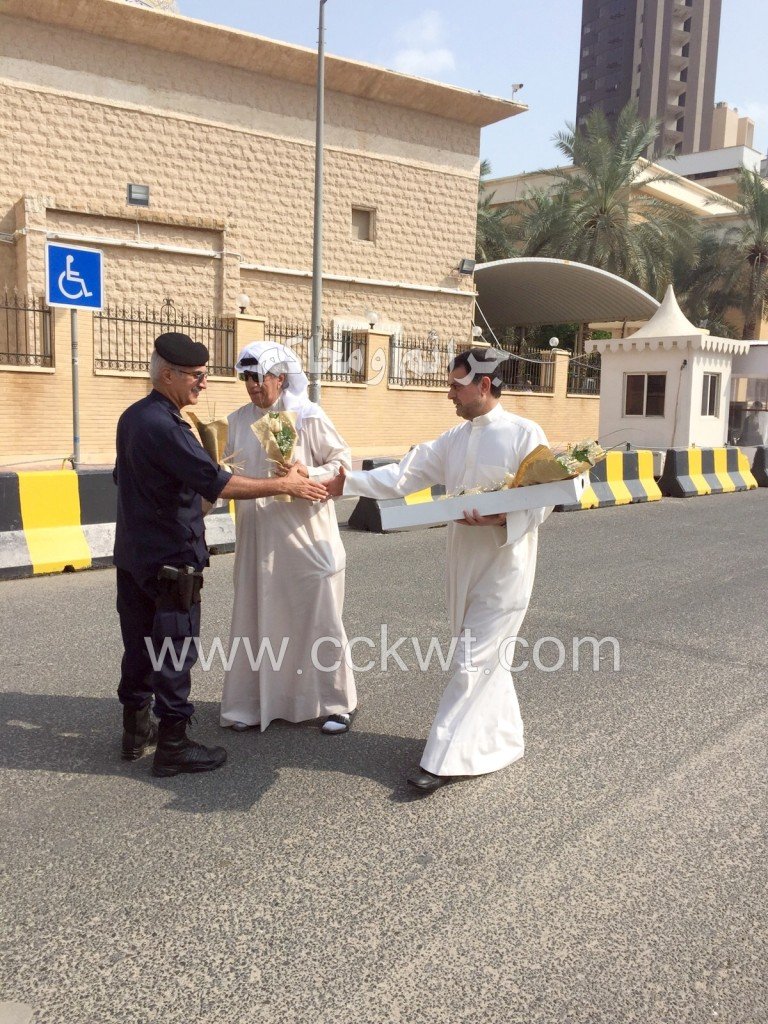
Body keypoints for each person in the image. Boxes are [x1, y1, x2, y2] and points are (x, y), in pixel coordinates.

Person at [326, 347, 552, 794]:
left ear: (483, 386)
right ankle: (501, 739)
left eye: (455, 385)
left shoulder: (526, 434)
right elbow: (401, 477)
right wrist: (343, 481)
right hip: (461, 564)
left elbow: (543, 499)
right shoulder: (454, 438)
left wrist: (501, 518)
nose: (449, 393)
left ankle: (442, 758)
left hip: (506, 567)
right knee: (485, 659)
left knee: (473, 660)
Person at [114, 332, 327, 777]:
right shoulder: (167, 427)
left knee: (139, 644)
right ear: (167, 374)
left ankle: (136, 732)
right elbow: (218, 483)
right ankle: (173, 742)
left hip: (134, 554)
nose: (204, 383)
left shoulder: (134, 417)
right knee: (174, 647)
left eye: (206, 374)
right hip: (171, 559)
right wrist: (283, 485)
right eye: (196, 375)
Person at [219, 342, 357, 734]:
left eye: (258, 378)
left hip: (306, 536)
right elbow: (230, 473)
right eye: (245, 378)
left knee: (318, 616)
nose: (251, 386)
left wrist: (306, 473)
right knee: (256, 614)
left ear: (280, 378)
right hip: (259, 537)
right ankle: (253, 703)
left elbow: (342, 463)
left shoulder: (307, 416)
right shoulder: (236, 420)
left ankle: (334, 702)